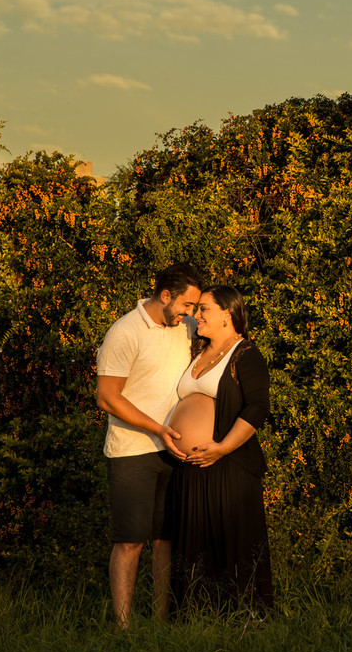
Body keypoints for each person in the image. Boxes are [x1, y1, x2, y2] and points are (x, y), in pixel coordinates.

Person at [95, 263, 203, 629]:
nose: (191, 313)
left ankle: (161, 623)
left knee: (165, 540)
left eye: (195, 307)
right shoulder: (125, 331)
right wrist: (158, 429)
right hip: (132, 451)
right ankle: (123, 629)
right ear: (166, 295)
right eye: (186, 305)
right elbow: (107, 397)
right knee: (130, 541)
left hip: (175, 450)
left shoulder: (187, 326)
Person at [167, 284, 274, 612]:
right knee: (196, 546)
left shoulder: (245, 353)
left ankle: (242, 617)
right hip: (190, 467)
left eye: (204, 309)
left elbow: (258, 407)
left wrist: (223, 447)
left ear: (227, 315)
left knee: (230, 543)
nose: (196, 315)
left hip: (228, 464)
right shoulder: (198, 352)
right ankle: (195, 616)